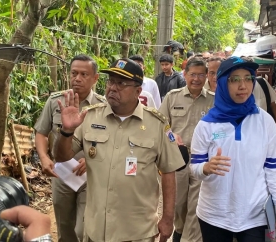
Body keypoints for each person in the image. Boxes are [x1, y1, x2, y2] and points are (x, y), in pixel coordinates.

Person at [53, 58, 185, 242]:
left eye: (122, 83)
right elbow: (62, 157)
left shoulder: (157, 124)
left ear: (138, 91)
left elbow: (169, 171)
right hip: (96, 229)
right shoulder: (90, 117)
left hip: (137, 232)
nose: (113, 88)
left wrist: (168, 218)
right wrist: (66, 131)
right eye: (111, 81)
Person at [190, 57, 276, 242]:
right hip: (214, 214)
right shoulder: (206, 125)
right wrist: (205, 168)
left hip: (255, 215)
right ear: (221, 84)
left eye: (248, 78)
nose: (243, 85)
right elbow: (195, 167)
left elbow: (274, 169)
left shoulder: (265, 122)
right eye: (234, 79)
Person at [34, 54, 106, 242]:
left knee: (84, 228)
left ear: (95, 78)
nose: (78, 78)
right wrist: (44, 158)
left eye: (84, 74)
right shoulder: (55, 102)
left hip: (90, 174)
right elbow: (41, 132)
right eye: (74, 73)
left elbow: (113, 141)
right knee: (65, 226)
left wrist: (91, 159)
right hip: (62, 174)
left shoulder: (103, 107)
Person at [159, 57, 214, 242]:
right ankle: (180, 232)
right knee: (178, 203)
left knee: (196, 205)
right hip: (177, 159)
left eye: (201, 75)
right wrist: (172, 137)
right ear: (185, 75)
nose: (196, 79)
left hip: (202, 160)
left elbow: (221, 131)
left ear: (206, 76)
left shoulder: (214, 101)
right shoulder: (172, 97)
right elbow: (161, 125)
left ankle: (187, 238)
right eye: (192, 75)